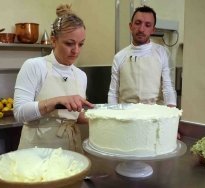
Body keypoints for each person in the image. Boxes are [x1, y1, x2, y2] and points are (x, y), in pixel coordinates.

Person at [13, 4, 93, 153]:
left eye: (81, 44)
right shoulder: (35, 66)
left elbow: (74, 116)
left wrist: (103, 118)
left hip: (71, 149)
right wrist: (56, 101)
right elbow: (19, 112)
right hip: (37, 150)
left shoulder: (81, 76)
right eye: (69, 43)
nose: (76, 50)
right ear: (53, 40)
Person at [108, 5, 177, 107]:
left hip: (154, 115)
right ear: (131, 26)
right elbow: (113, 93)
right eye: (138, 23)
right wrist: (112, 116)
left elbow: (168, 87)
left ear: (153, 30)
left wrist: (171, 116)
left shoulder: (162, 53)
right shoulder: (119, 57)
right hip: (127, 116)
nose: (141, 29)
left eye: (147, 25)